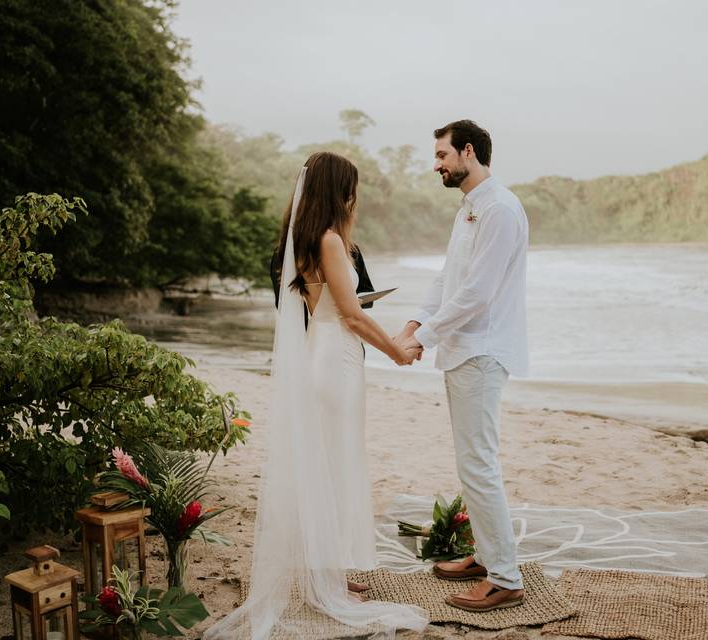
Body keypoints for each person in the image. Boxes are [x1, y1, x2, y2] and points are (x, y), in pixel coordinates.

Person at [204, 152, 427, 639]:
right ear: (337, 190)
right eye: (352, 187)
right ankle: (328, 586)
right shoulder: (328, 240)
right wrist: (396, 351)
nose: (356, 197)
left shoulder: (309, 239)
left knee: (327, 467)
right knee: (336, 468)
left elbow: (333, 308)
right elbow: (350, 314)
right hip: (335, 362)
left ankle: (324, 578)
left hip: (323, 356)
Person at [396, 120, 529, 612]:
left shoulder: (499, 209)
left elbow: (478, 293)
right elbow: (448, 278)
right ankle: (486, 556)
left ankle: (506, 580)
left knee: (478, 464)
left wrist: (424, 337)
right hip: (463, 348)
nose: (437, 165)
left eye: (441, 155)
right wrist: (413, 325)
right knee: (471, 463)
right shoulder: (470, 208)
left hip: (482, 350)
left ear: (468, 152)